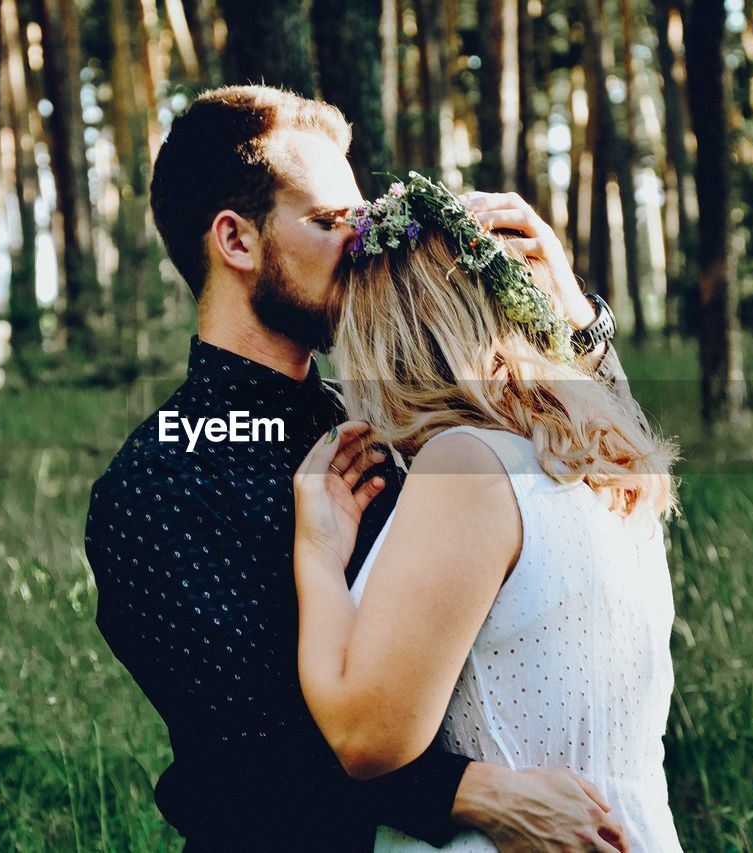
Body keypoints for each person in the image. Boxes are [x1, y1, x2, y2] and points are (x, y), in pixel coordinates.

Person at [86, 85, 634, 851]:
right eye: (329, 221)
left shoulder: (393, 417)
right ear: (236, 242)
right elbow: (253, 745)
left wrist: (577, 323)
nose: (364, 241)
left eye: (363, 216)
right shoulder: (160, 485)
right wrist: (474, 793)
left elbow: (596, 486)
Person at [291, 174, 682, 852]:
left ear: (388, 337)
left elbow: (366, 737)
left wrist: (317, 558)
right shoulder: (606, 462)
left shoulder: (468, 465)